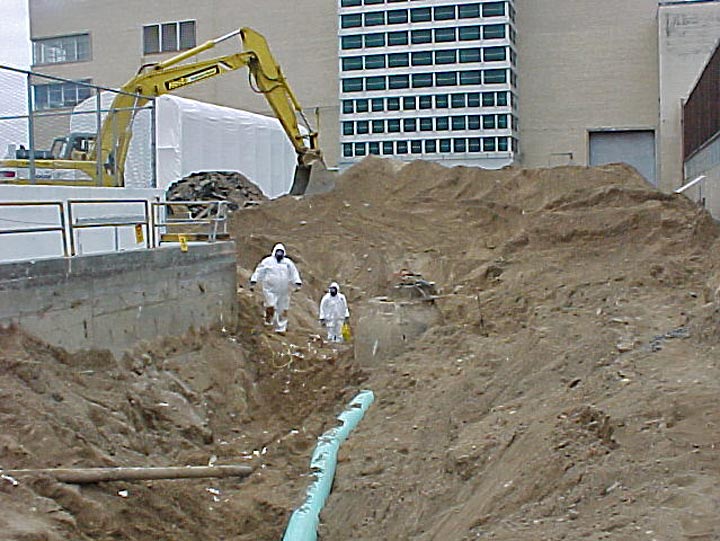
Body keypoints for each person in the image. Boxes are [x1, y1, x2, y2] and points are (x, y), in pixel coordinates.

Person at [249, 243, 302, 333]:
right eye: (278, 252)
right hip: (270, 289)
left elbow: (294, 273)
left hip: (283, 291)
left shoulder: (288, 263)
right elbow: (259, 271)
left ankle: (281, 328)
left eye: (281, 252)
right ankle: (268, 322)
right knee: (271, 305)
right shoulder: (267, 261)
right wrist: (254, 280)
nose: (279, 254)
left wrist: (297, 283)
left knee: (282, 309)